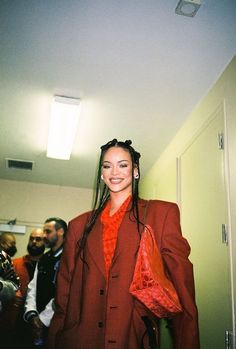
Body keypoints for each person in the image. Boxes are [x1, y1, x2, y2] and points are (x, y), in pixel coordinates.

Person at [47, 139, 200, 349]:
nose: (114, 172)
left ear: (135, 171)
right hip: (81, 337)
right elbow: (64, 291)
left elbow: (183, 287)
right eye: (107, 166)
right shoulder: (79, 225)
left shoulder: (161, 214)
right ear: (101, 174)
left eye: (123, 164)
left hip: (133, 335)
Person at [24, 218, 67, 348]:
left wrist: (42, 319)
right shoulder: (43, 258)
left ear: (60, 232)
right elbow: (33, 287)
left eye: (48, 232)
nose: (44, 235)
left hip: (57, 323)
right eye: (44, 231)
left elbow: (63, 292)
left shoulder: (69, 259)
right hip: (36, 322)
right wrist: (32, 313)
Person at [10, 228, 45, 349]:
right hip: (15, 321)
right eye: (32, 238)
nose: (34, 242)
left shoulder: (49, 265)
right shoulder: (15, 264)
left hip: (40, 322)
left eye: (38, 239)